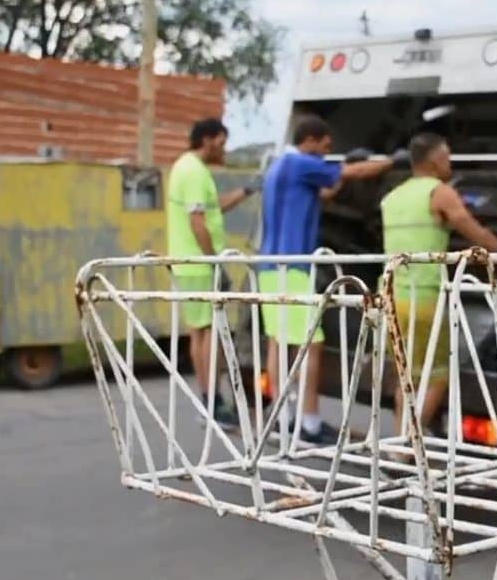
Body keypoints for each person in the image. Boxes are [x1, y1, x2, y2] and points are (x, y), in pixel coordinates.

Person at [260, 115, 400, 444]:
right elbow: (352, 174)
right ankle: (308, 423)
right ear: (310, 139)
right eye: (325, 145)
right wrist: (390, 161)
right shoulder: (302, 163)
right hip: (293, 265)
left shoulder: (282, 167)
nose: (327, 152)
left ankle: (283, 416)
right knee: (313, 343)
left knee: (278, 340)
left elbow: (324, 193)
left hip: (269, 265)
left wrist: (340, 173)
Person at [381, 132, 497, 435]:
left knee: (407, 375)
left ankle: (400, 444)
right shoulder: (439, 192)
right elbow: (472, 229)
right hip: (424, 299)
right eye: (448, 157)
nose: (450, 163)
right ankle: (409, 441)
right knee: (437, 375)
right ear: (437, 161)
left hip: (392, 295)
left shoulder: (393, 196)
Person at [167, 117, 256, 429]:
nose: (224, 148)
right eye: (221, 140)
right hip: (199, 263)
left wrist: (245, 191)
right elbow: (197, 223)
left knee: (200, 331)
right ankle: (211, 402)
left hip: (190, 263)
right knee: (209, 333)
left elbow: (211, 206)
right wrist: (215, 262)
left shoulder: (188, 167)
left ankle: (208, 399)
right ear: (207, 139)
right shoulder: (192, 171)